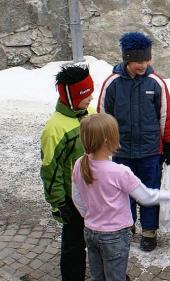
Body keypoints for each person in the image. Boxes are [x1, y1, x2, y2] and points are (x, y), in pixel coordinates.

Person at [71, 113, 170, 281]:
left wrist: (89, 216)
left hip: (90, 231)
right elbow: (145, 197)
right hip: (115, 236)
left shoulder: (80, 163)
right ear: (108, 140)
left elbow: (76, 196)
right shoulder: (119, 172)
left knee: (97, 276)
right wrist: (168, 194)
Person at [97, 32, 170, 251]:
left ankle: (149, 231)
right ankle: (127, 225)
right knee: (123, 191)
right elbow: (102, 116)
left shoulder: (156, 82)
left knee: (149, 190)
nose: (143, 64)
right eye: (138, 61)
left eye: (146, 60)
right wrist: (103, 145)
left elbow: (165, 115)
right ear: (127, 59)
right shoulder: (112, 83)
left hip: (151, 150)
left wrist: (167, 144)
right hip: (121, 150)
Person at [40, 64, 95, 281]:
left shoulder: (90, 113)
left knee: (101, 238)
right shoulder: (55, 128)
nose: (91, 98)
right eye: (86, 94)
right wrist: (58, 203)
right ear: (71, 98)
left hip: (95, 192)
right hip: (73, 198)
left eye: (91, 92)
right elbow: (50, 170)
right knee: (74, 244)